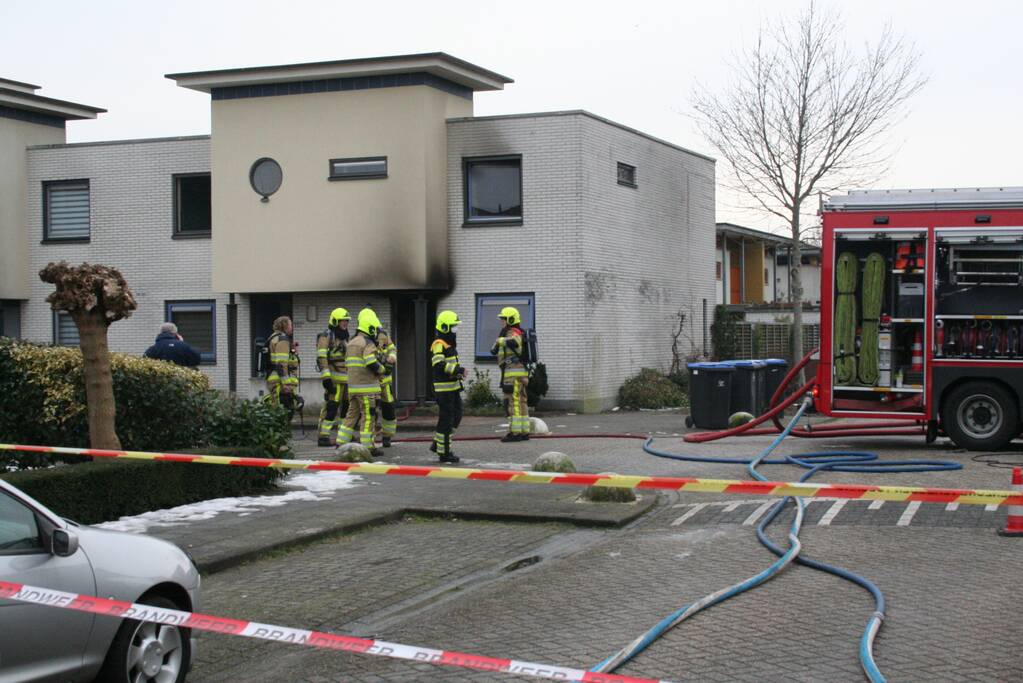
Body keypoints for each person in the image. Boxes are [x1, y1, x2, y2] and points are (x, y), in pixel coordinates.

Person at [337, 308, 385, 457]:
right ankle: (368, 447)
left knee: (351, 415)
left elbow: (347, 363)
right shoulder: (368, 342)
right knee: (368, 417)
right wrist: (382, 369)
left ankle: (341, 442)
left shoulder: (352, 342)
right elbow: (370, 362)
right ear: (370, 328)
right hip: (367, 388)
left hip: (353, 387)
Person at [430, 310, 465, 463]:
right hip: (444, 390)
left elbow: (448, 366)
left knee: (457, 415)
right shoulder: (439, 344)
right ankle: (444, 453)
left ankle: (438, 444)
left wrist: (458, 373)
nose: (455, 329)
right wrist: (457, 370)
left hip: (453, 387)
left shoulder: (449, 344)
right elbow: (438, 364)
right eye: (453, 326)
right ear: (445, 328)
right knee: (446, 420)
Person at [491, 307, 530, 442]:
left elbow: (515, 342)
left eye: (504, 319)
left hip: (513, 373)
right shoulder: (513, 332)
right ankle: (524, 431)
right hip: (519, 372)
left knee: (513, 402)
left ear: (511, 320)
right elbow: (493, 351)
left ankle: (515, 432)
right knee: (521, 401)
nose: (501, 322)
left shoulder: (513, 332)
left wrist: (500, 340)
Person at [315, 308, 350, 447]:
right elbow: (321, 357)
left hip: (347, 380)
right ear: (335, 321)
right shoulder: (326, 336)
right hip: (334, 380)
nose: (345, 323)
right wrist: (326, 378)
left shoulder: (345, 336)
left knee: (346, 408)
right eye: (343, 320)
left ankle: (343, 435)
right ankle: (323, 436)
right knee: (331, 407)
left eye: (347, 321)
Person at [266, 315, 299, 409]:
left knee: (276, 406)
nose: (292, 327)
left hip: (274, 378)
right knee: (283, 409)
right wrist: (285, 384)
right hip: (280, 382)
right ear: (285, 326)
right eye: (290, 325)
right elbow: (281, 363)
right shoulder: (282, 339)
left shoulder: (273, 337)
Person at [374, 326, 398, 448]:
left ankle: (387, 436)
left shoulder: (383, 335)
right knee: (371, 411)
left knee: (389, 408)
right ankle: (370, 437)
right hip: (372, 382)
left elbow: (392, 348)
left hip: (385, 382)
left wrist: (392, 357)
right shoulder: (362, 338)